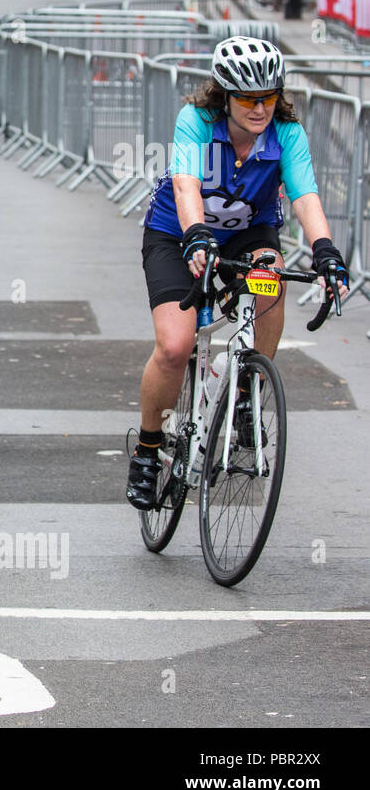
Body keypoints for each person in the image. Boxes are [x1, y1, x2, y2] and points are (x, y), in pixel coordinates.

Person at [126, 38, 350, 510]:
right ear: (224, 94)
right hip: (177, 231)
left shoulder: (287, 133)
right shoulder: (197, 122)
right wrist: (195, 234)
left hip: (249, 232)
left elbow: (305, 195)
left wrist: (326, 251)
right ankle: (147, 449)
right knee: (175, 346)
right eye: (248, 98)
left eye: (268, 96)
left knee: (273, 277)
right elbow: (186, 183)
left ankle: (248, 389)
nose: (259, 107)